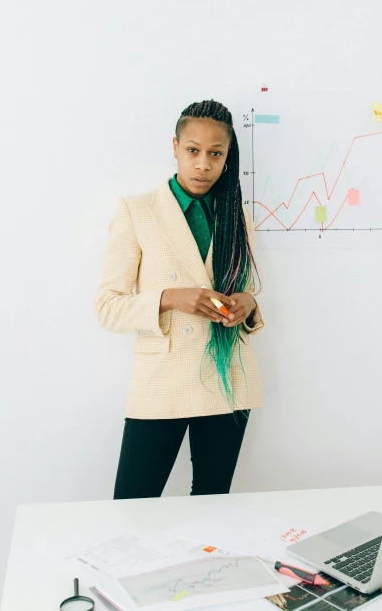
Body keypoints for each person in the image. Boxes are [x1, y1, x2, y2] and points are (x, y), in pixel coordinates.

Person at [95, 99, 265, 498]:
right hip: (162, 382)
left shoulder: (237, 218)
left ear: (227, 157)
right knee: (133, 504)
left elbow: (249, 291)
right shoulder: (137, 211)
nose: (203, 164)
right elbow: (108, 306)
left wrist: (248, 304)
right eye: (193, 151)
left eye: (215, 153)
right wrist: (170, 298)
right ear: (175, 147)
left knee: (211, 506)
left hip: (228, 381)